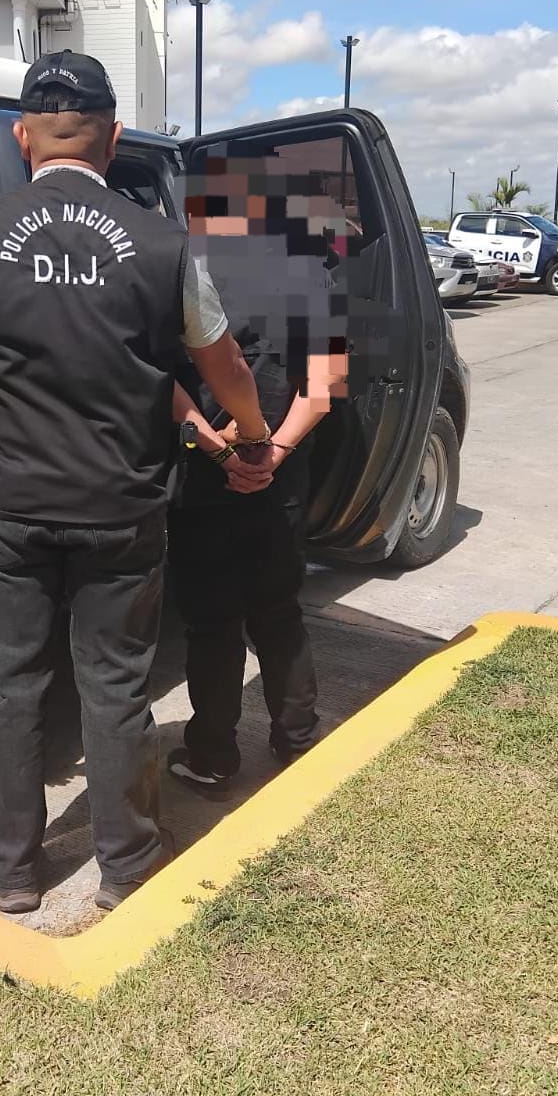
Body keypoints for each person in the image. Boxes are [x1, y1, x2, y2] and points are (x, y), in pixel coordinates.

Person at [0, 50, 271, 914]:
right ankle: (125, 863)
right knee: (114, 684)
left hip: (8, 509)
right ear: (112, 139)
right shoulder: (163, 245)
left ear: (23, 138)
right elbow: (224, 366)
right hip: (119, 510)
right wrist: (251, 439)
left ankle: (13, 872)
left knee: (11, 684)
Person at [165, 151, 350, 797]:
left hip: (201, 476)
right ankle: (296, 738)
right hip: (279, 482)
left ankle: (213, 757)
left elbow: (161, 382)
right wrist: (273, 453)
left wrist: (218, 450)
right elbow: (324, 388)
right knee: (277, 612)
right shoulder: (314, 271)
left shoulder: (183, 268)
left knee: (211, 622)